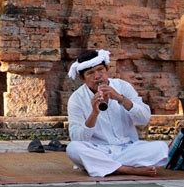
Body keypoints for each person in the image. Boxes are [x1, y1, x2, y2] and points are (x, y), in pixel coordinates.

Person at [66, 49, 168, 177]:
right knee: (73, 149)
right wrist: (94, 113)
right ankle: (129, 169)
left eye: (100, 70)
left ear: (107, 69)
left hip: (128, 148)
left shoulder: (123, 87)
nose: (97, 76)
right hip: (99, 150)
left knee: (161, 148)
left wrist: (120, 98)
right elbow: (78, 138)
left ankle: (100, 166)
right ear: (82, 78)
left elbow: (144, 118)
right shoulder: (76, 99)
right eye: (90, 73)